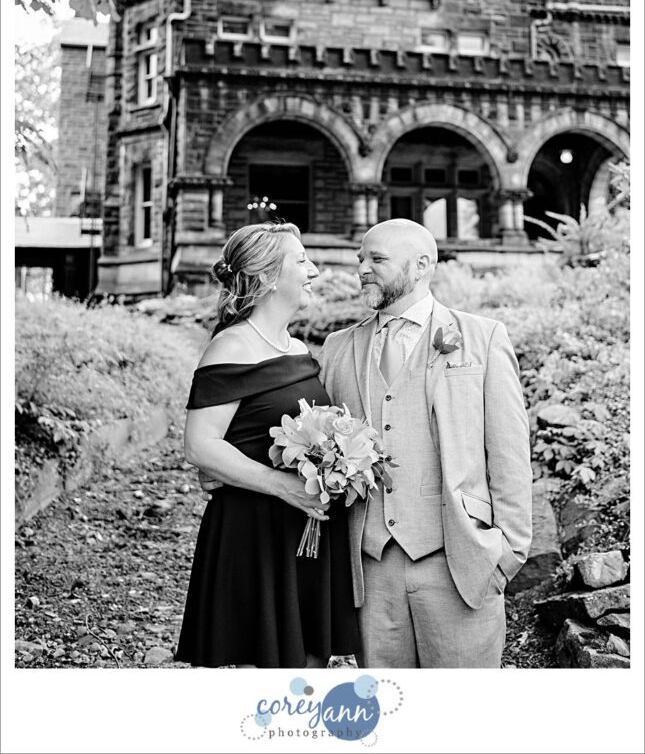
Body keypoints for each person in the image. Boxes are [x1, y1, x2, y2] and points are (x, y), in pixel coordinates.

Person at [319, 218, 533, 669]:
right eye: (360, 258)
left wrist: (506, 554)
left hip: (460, 562)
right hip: (370, 567)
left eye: (376, 259)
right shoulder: (337, 348)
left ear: (421, 266)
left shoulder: (482, 337)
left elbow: (510, 453)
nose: (362, 268)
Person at [175, 222, 360, 669]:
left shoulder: (294, 346)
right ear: (268, 276)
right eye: (301, 260)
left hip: (306, 529)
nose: (313, 270)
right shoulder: (232, 345)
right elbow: (200, 447)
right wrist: (283, 486)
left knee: (310, 658)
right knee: (263, 668)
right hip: (254, 527)